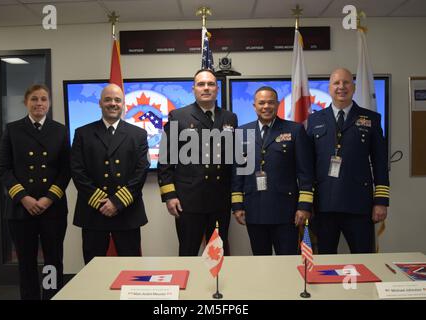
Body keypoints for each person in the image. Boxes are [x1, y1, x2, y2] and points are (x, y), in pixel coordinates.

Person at [0, 84, 70, 300]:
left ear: (49, 103)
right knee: (26, 261)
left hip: (53, 208)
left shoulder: (60, 130)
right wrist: (23, 198)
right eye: (34, 99)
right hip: (21, 209)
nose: (39, 103)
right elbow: (3, 167)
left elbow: (66, 169)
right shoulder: (12, 129)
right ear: (26, 102)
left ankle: (51, 296)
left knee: (53, 260)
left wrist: (48, 198)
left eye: (43, 99)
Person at [306, 68, 389, 254]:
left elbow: (380, 162)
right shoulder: (314, 120)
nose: (341, 87)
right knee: (325, 262)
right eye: (336, 83)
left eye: (346, 82)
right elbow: (307, 165)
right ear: (329, 88)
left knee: (364, 259)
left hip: (359, 205)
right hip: (324, 205)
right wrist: (307, 203)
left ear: (354, 87)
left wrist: (381, 201)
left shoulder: (371, 119)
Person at [157, 69, 238, 256]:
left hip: (220, 199)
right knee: (188, 252)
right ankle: (190, 286)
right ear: (193, 89)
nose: (206, 88)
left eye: (210, 84)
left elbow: (233, 161)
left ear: (217, 89)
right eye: (201, 84)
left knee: (218, 253)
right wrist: (170, 196)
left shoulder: (229, 118)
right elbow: (165, 160)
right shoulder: (178, 116)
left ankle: (216, 287)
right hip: (188, 200)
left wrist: (236, 198)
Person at [71, 83, 149, 264]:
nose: (112, 103)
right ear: (99, 103)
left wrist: (117, 202)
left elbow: (140, 172)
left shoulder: (138, 134)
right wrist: (102, 202)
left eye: (117, 100)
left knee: (130, 269)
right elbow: (77, 171)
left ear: (124, 104)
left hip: (127, 212)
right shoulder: (83, 133)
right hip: (94, 212)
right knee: (92, 268)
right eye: (107, 99)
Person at [231, 86, 314, 255]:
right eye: (261, 103)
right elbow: (237, 172)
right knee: (261, 262)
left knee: (288, 262)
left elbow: (305, 172)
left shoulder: (295, 130)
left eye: (270, 102)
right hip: (254, 210)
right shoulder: (241, 132)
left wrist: (304, 206)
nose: (266, 106)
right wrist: (237, 205)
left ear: (277, 104)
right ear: (254, 106)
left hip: (287, 212)